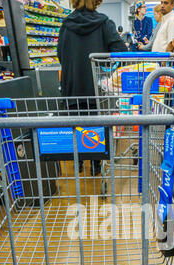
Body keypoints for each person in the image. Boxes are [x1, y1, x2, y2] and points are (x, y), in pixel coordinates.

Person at [57, 0, 127, 175]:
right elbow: (121, 51)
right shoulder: (104, 23)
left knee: (76, 125)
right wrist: (106, 66)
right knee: (96, 126)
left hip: (71, 87)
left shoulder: (66, 25)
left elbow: (60, 54)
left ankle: (78, 161)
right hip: (95, 88)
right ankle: (96, 166)